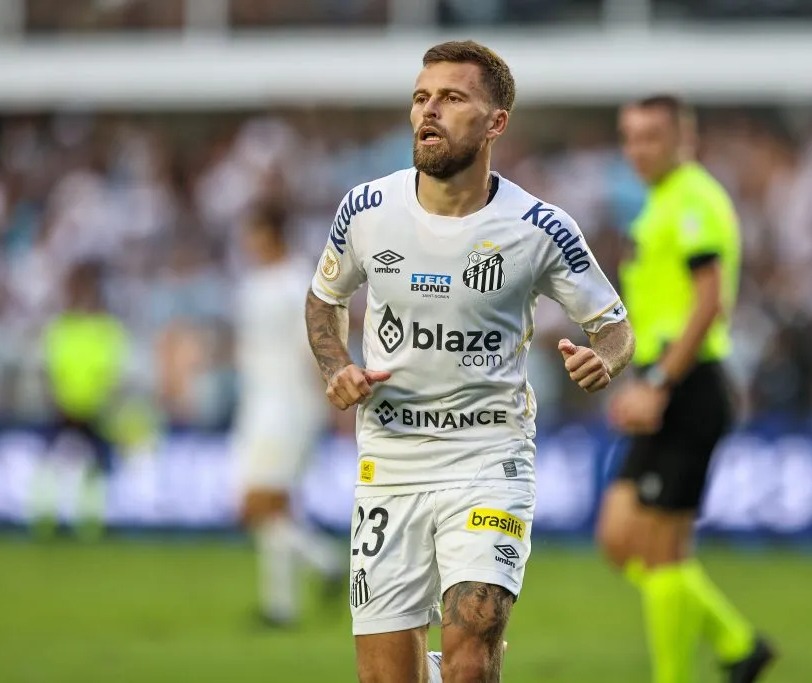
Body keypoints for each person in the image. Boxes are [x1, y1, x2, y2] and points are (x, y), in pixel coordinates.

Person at [305, 40, 635, 683]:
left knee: (470, 655)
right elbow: (324, 301)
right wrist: (334, 368)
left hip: (489, 458)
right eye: (421, 97)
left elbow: (613, 324)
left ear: (495, 123)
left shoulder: (540, 228)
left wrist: (605, 360)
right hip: (390, 462)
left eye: (452, 98)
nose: (429, 111)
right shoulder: (366, 211)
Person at [598, 95, 775, 683]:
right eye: (630, 137)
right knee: (620, 538)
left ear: (683, 140)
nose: (637, 149)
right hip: (665, 378)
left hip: (689, 384)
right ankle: (737, 642)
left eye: (650, 136)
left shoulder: (695, 199)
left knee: (661, 551)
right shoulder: (661, 202)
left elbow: (709, 303)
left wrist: (658, 384)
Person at [234, 203, 343, 628]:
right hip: (257, 403)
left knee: (256, 504)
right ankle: (282, 607)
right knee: (277, 509)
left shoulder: (297, 281)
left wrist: (327, 401)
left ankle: (327, 562)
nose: (247, 243)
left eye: (254, 233)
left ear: (271, 233)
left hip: (287, 406)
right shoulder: (252, 284)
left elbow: (314, 346)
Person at [38, 260, 128, 540]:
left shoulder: (106, 329)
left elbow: (111, 374)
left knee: (97, 466)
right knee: (52, 464)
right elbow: (50, 370)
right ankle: (46, 519)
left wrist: (99, 403)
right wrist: (59, 400)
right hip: (64, 408)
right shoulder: (62, 327)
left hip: (94, 409)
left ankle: (90, 522)